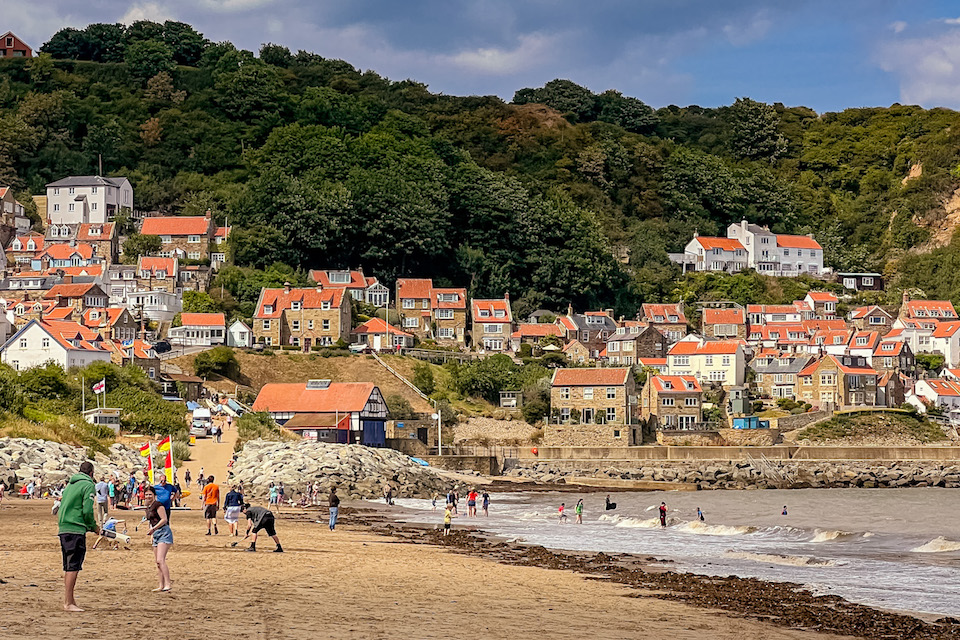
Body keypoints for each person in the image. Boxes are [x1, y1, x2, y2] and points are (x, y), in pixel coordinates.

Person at [57, 460, 98, 612]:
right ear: (91, 473)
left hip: (64, 528)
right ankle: (68, 602)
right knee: (73, 566)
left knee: (68, 566)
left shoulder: (70, 485)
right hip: (75, 528)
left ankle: (70, 599)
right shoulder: (88, 485)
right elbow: (87, 510)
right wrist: (93, 526)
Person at [144, 485, 173, 591]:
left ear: (154, 495)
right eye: (146, 494)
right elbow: (150, 521)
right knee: (157, 562)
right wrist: (152, 533)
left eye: (150, 494)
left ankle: (168, 584)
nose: (148, 496)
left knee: (161, 560)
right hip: (155, 534)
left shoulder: (158, 505)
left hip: (163, 532)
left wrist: (154, 529)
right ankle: (161, 585)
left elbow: (164, 519)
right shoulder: (148, 507)